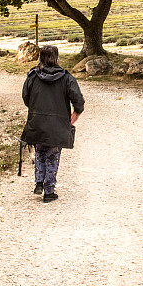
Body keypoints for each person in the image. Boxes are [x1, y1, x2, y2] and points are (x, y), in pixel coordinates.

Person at [21, 45, 84, 203]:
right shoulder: (66, 77)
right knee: (53, 156)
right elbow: (78, 99)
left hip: (37, 122)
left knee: (40, 151)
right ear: (56, 58)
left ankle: (38, 183)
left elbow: (25, 97)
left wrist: (36, 109)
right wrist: (76, 113)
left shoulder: (33, 76)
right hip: (58, 124)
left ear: (40, 57)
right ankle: (49, 191)